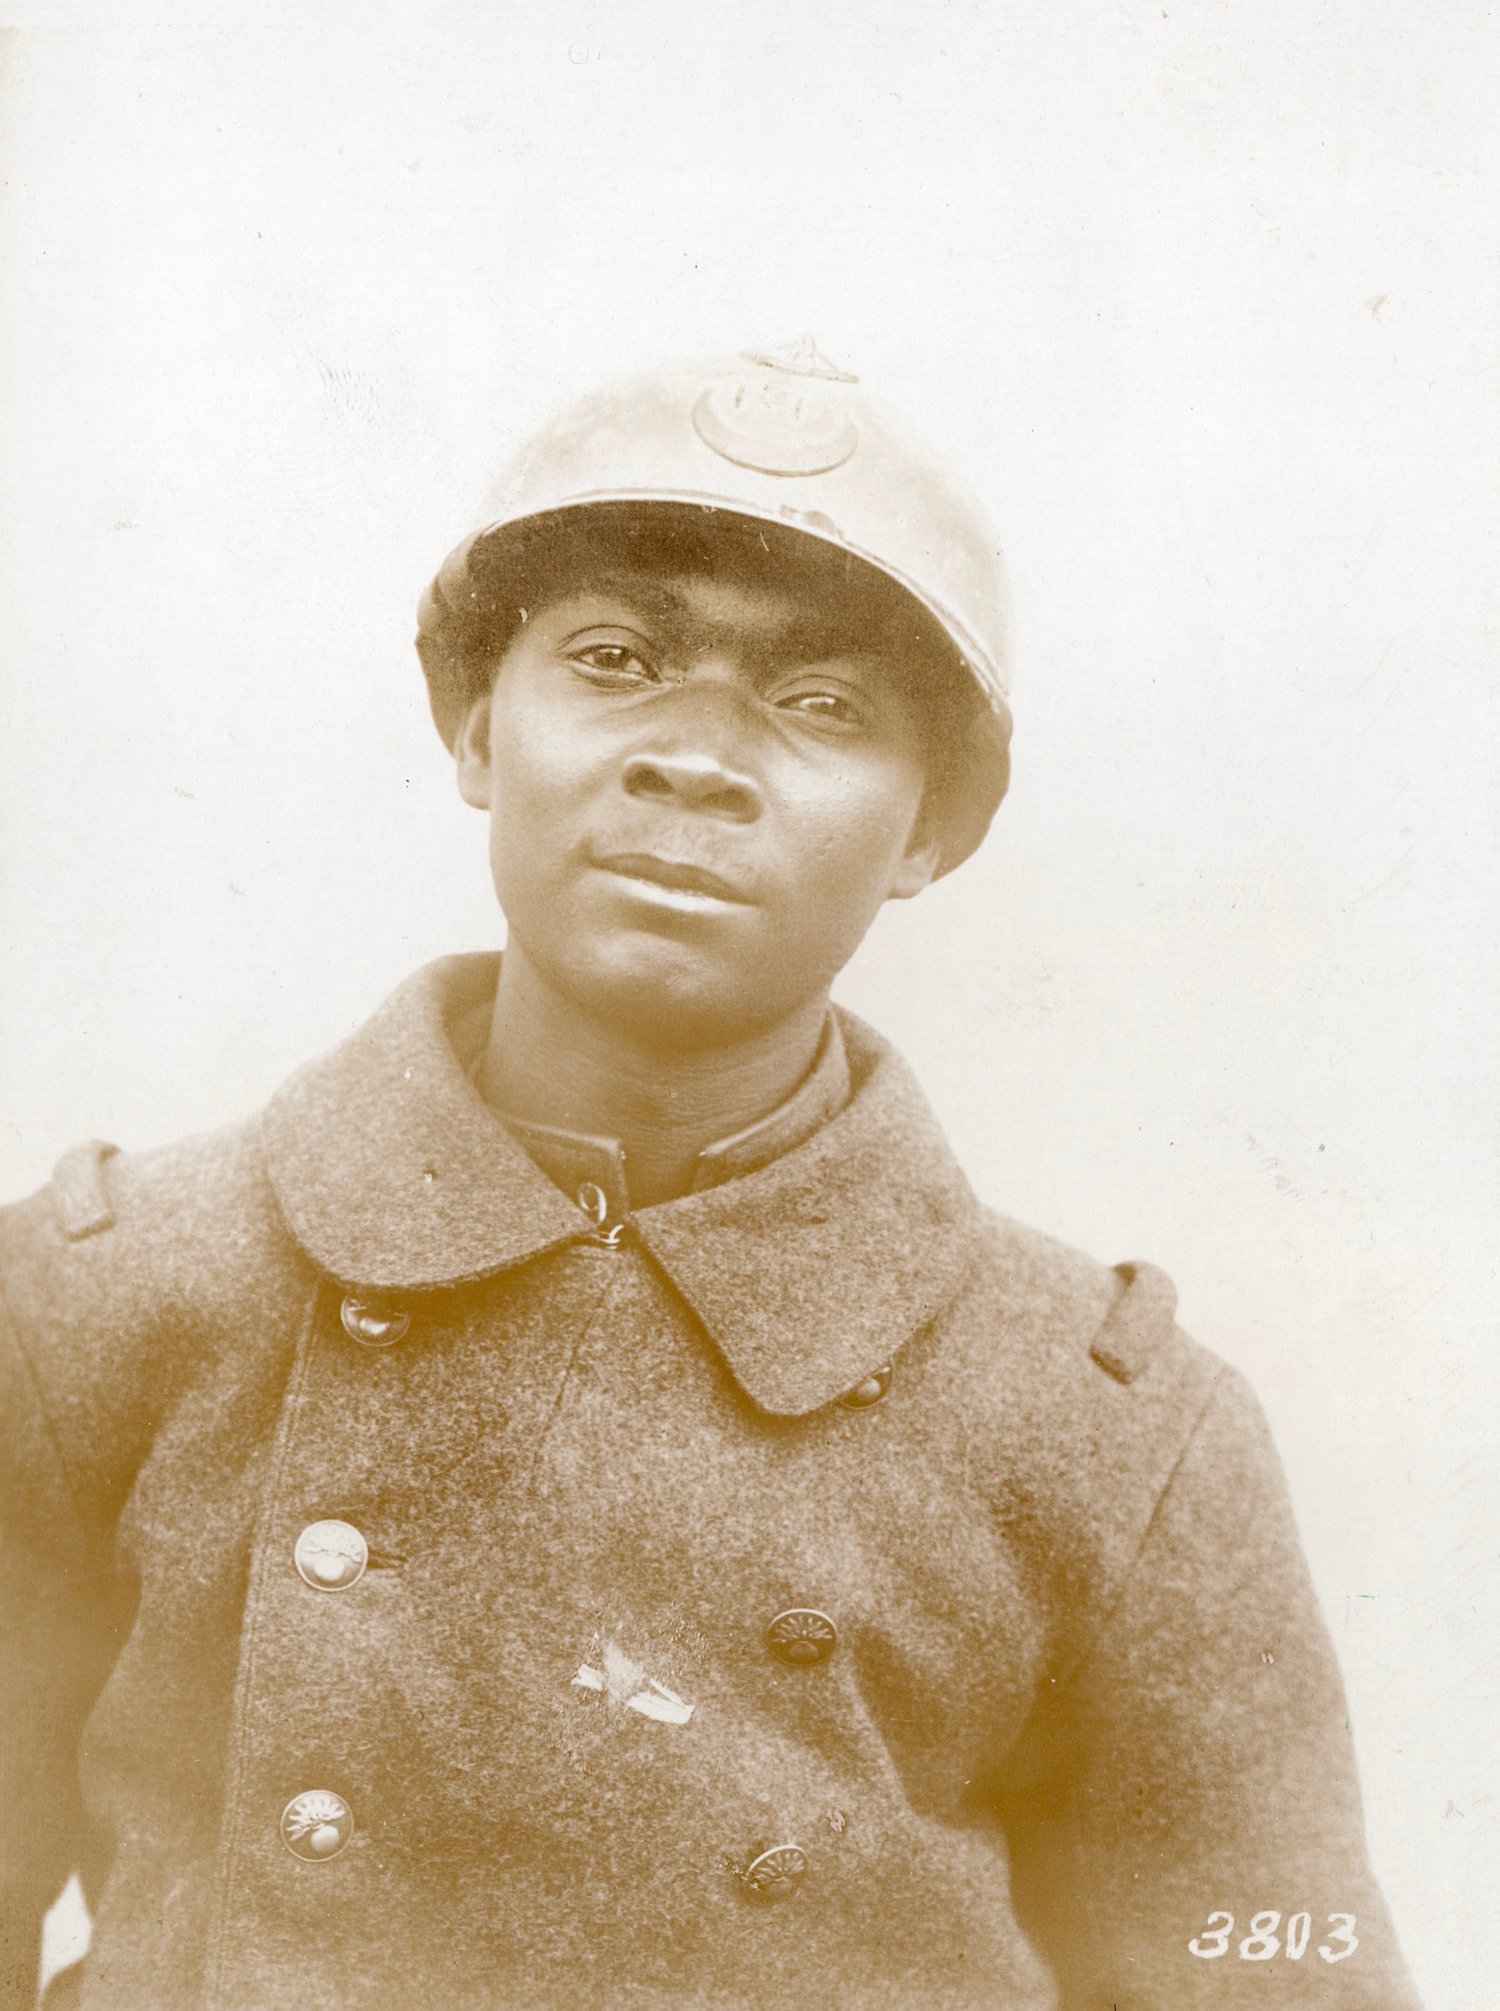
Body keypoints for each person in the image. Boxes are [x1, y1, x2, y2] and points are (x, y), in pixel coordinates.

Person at [0, 339, 1419, 2009]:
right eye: (613, 657)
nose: (696, 757)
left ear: (927, 835)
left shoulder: (1114, 1433)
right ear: (474, 731)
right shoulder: (102, 1295)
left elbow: (1282, 1978)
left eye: (823, 706)